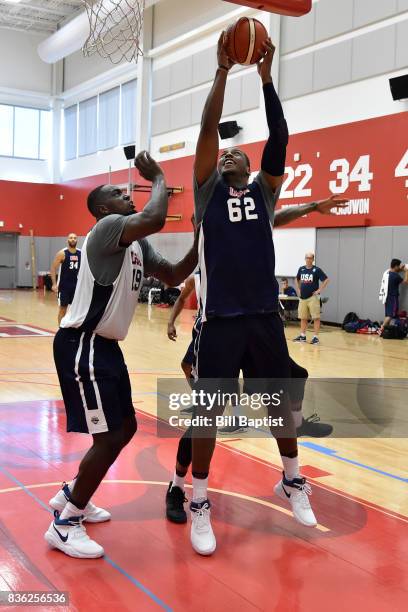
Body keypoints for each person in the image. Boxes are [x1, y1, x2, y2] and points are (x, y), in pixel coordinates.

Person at [171, 34, 348, 557]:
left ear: (250, 169)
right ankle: (198, 498)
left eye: (236, 153)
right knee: (208, 412)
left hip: (264, 316)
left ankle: (292, 479)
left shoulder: (264, 195)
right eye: (223, 153)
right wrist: (224, 72)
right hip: (220, 318)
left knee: (280, 405)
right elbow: (208, 129)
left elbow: (280, 137)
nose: (227, 153)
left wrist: (267, 80)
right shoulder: (205, 192)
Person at [45, 151, 198, 559]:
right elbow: (155, 217)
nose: (126, 195)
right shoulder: (109, 228)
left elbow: (174, 274)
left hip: (106, 347)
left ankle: (71, 495)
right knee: (111, 434)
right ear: (101, 209)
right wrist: (161, 177)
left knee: (122, 428)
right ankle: (65, 524)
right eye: (117, 193)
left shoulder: (135, 244)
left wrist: (203, 237)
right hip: (84, 344)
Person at [294, 253, 329, 345]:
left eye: (310, 258)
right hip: (303, 298)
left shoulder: (316, 270)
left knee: (316, 317)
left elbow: (326, 280)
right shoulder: (301, 269)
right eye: (307, 258)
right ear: (305, 259)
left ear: (313, 259)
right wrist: (298, 289)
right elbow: (296, 279)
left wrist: (319, 290)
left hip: (313, 298)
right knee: (303, 317)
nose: (308, 259)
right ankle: (302, 336)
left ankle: (315, 338)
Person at [50, 233, 81, 325]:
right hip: (64, 287)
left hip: (76, 287)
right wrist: (54, 284)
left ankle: (71, 328)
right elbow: (53, 268)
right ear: (67, 240)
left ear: (77, 240)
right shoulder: (62, 253)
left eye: (75, 238)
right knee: (63, 309)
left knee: (75, 310)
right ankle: (61, 329)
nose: (73, 239)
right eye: (71, 238)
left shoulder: (81, 253)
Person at [379, 259, 408, 332]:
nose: (399, 268)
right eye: (398, 266)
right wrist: (406, 271)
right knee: (390, 315)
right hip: (393, 297)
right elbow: (406, 281)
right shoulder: (395, 276)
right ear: (395, 266)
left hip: (386, 297)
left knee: (388, 315)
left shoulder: (387, 273)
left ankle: (386, 330)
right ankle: (381, 329)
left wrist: (400, 268)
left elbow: (395, 270)